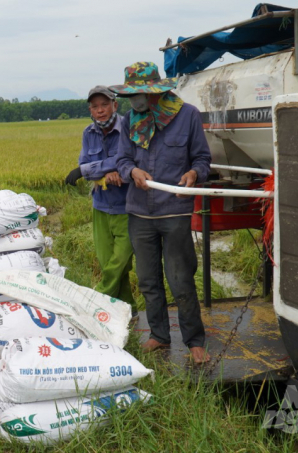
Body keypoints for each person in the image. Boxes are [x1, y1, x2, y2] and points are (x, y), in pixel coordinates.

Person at [111, 62, 212, 363]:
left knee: (181, 279)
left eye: (139, 92)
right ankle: (159, 335)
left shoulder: (188, 115)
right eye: (131, 94)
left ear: (154, 91)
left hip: (174, 211)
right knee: (148, 280)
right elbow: (122, 160)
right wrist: (132, 170)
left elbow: (203, 159)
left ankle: (194, 341)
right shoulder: (130, 120)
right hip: (140, 213)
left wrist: (195, 173)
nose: (134, 99)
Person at [64, 86, 136, 318]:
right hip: (101, 207)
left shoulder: (129, 128)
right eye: (95, 107)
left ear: (115, 105)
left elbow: (128, 160)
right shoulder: (89, 132)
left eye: (104, 105)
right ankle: (128, 311)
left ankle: (94, 306)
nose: (100, 110)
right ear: (90, 110)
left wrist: (89, 171)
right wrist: (105, 173)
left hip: (128, 207)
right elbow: (85, 161)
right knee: (110, 264)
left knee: (118, 263)